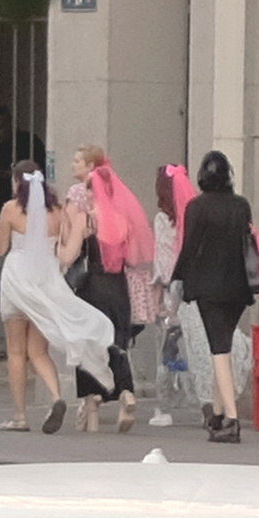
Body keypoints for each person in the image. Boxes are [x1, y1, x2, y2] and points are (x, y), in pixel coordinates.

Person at [0, 162, 116, 434]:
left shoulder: (11, 209)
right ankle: (56, 397)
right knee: (38, 350)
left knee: (15, 351)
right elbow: (65, 250)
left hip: (16, 281)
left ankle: (20, 416)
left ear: (17, 182)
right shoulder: (58, 213)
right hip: (46, 282)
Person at [64, 146, 155, 432]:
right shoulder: (122, 219)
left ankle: (91, 410)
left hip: (92, 288)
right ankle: (126, 393)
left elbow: (69, 255)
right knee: (117, 345)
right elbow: (133, 258)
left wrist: (57, 252)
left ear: (93, 189)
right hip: (118, 288)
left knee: (89, 346)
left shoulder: (87, 218)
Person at [173, 151, 256, 443]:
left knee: (218, 349)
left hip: (209, 286)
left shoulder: (197, 207)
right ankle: (219, 413)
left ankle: (232, 419)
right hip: (238, 286)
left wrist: (178, 277)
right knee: (225, 346)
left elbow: (190, 246)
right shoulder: (241, 206)